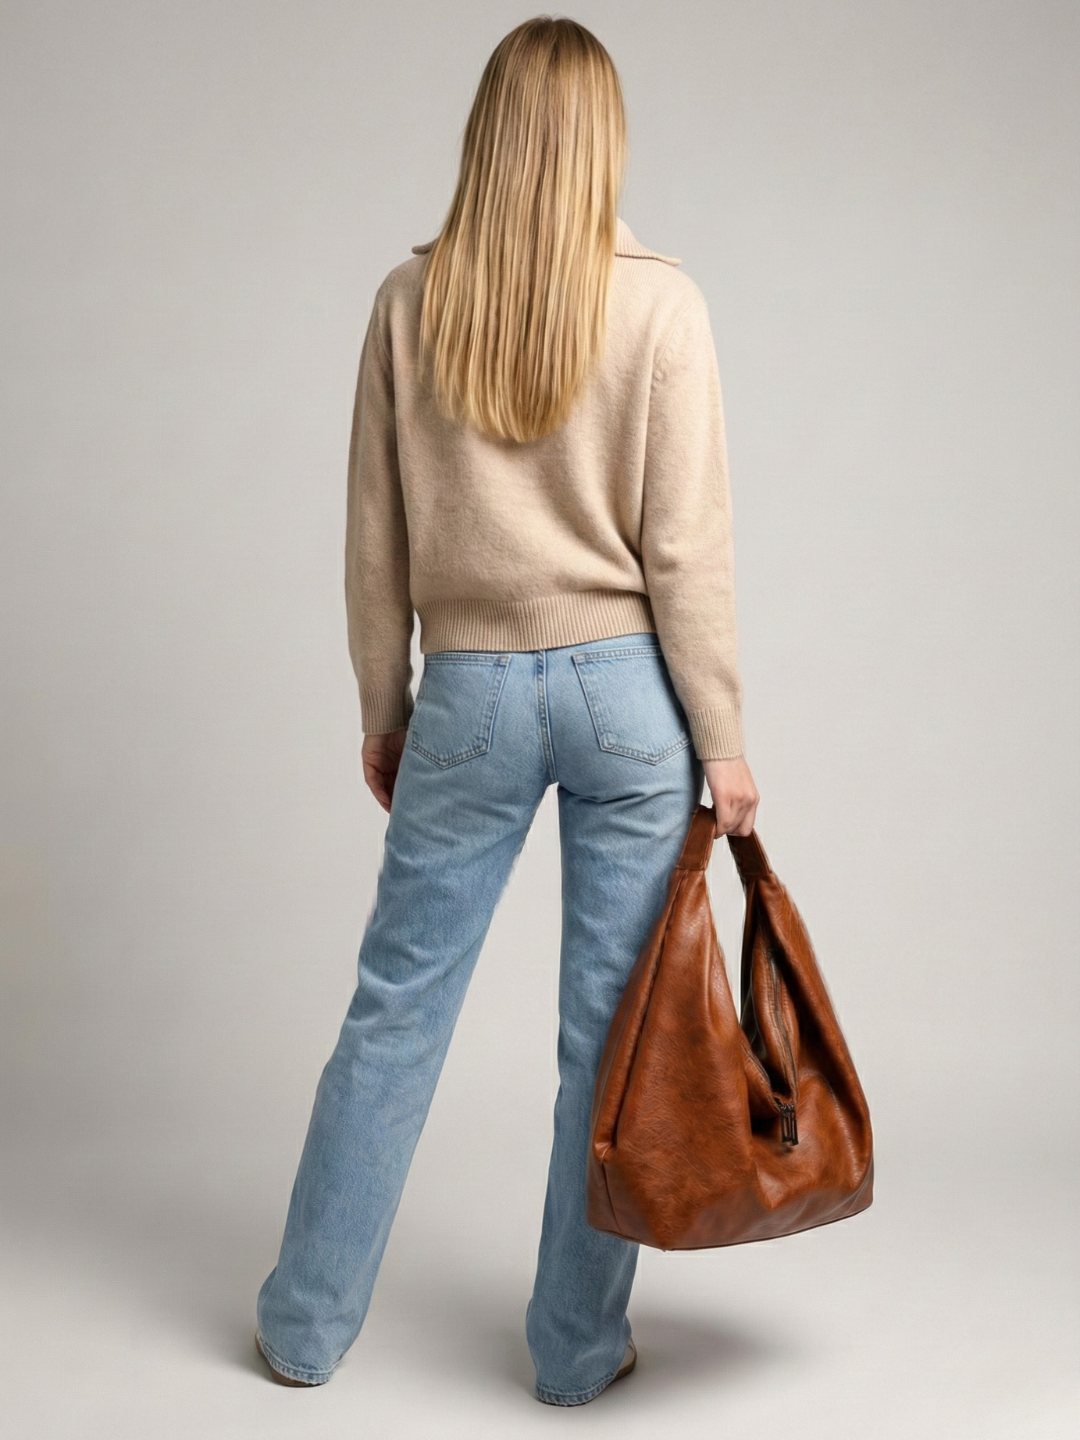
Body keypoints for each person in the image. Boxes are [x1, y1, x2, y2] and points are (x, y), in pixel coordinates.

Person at [254, 14, 759, 1407]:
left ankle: (303, 1328)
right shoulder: (664, 306)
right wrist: (723, 737)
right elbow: (687, 552)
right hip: (628, 697)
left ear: (487, 133)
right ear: (604, 141)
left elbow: (375, 540)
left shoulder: (409, 300)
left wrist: (386, 705)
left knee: (395, 1014)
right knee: (610, 1036)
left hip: (468, 690)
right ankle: (577, 1353)